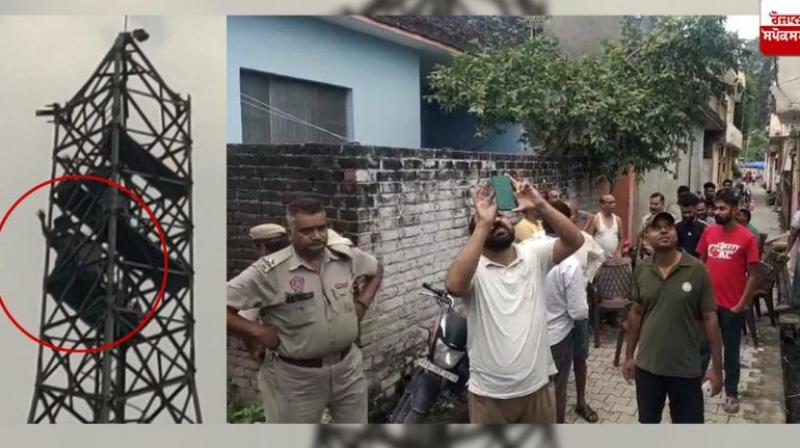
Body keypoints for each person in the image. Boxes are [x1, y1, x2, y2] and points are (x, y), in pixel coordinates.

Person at [226, 198, 384, 423]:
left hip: (347, 369)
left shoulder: (344, 257)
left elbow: (377, 270)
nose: (317, 236)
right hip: (296, 379)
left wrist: (362, 304)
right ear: (290, 233)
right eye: (306, 231)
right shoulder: (268, 271)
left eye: (321, 228)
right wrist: (257, 332)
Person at [445, 177, 584, 424]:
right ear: (475, 233)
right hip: (489, 396)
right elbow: (454, 286)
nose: (496, 220)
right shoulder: (472, 269)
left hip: (538, 389)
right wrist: (482, 224)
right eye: (487, 220)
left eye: (501, 216)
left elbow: (575, 240)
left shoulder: (533, 254)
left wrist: (540, 204)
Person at [622, 211, 724, 424]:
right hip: (648, 368)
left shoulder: (697, 270)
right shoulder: (642, 269)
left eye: (668, 225)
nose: (663, 230)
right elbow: (636, 313)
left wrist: (716, 368)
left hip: (686, 369)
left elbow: (710, 319)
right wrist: (629, 355)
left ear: (675, 233)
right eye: (656, 227)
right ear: (646, 236)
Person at [696, 188, 761, 414]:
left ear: (735, 210)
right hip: (708, 306)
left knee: (731, 351)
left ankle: (731, 393)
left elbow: (754, 274)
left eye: (722, 208)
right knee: (702, 346)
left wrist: (741, 304)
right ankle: (696, 386)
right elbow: (700, 263)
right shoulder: (709, 233)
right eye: (716, 208)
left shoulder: (747, 238)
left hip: (732, 306)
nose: (717, 212)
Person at [543, 201, 597, 424]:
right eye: (571, 218)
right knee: (558, 383)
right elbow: (578, 311)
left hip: (539, 328)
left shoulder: (525, 248)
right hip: (566, 323)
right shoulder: (567, 261)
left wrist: (588, 279)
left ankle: (581, 402)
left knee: (579, 359)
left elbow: (599, 258)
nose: (576, 221)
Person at [584, 194, 624, 258]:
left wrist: (618, 251)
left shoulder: (617, 219)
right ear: (602, 204)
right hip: (598, 260)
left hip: (613, 259)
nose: (613, 205)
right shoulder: (596, 218)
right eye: (610, 203)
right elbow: (589, 238)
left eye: (614, 202)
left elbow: (621, 238)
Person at [675, 193, 708, 258]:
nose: (687, 215)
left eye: (689, 212)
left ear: (695, 209)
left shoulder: (705, 227)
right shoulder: (675, 227)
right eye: (684, 212)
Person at [636, 192, 666, 262]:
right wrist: (638, 254)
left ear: (662, 204)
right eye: (651, 204)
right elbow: (640, 236)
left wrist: (655, 252)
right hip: (644, 257)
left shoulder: (668, 220)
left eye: (656, 204)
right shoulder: (645, 218)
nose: (652, 207)